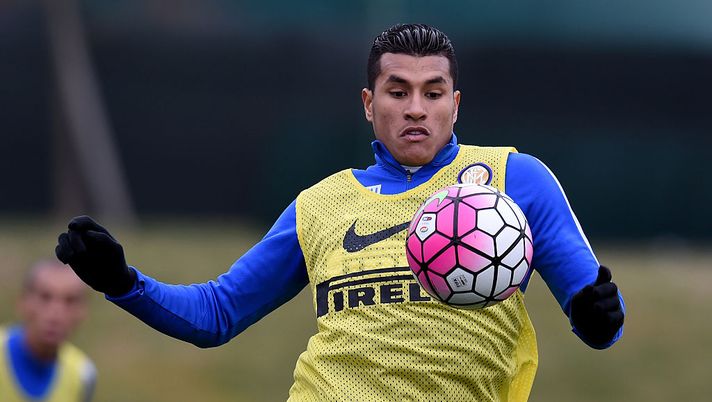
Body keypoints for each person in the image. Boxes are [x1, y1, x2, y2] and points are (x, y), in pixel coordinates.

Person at [55, 24, 624, 401]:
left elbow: (598, 316)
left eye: (433, 93)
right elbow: (218, 312)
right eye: (398, 91)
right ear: (368, 104)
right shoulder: (320, 203)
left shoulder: (514, 179)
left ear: (455, 105)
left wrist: (600, 317)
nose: (416, 109)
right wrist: (122, 282)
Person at [1, 260, 96, 402]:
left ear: (83, 312)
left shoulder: (83, 375)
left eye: (70, 301)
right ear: (22, 302)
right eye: (45, 297)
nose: (56, 313)